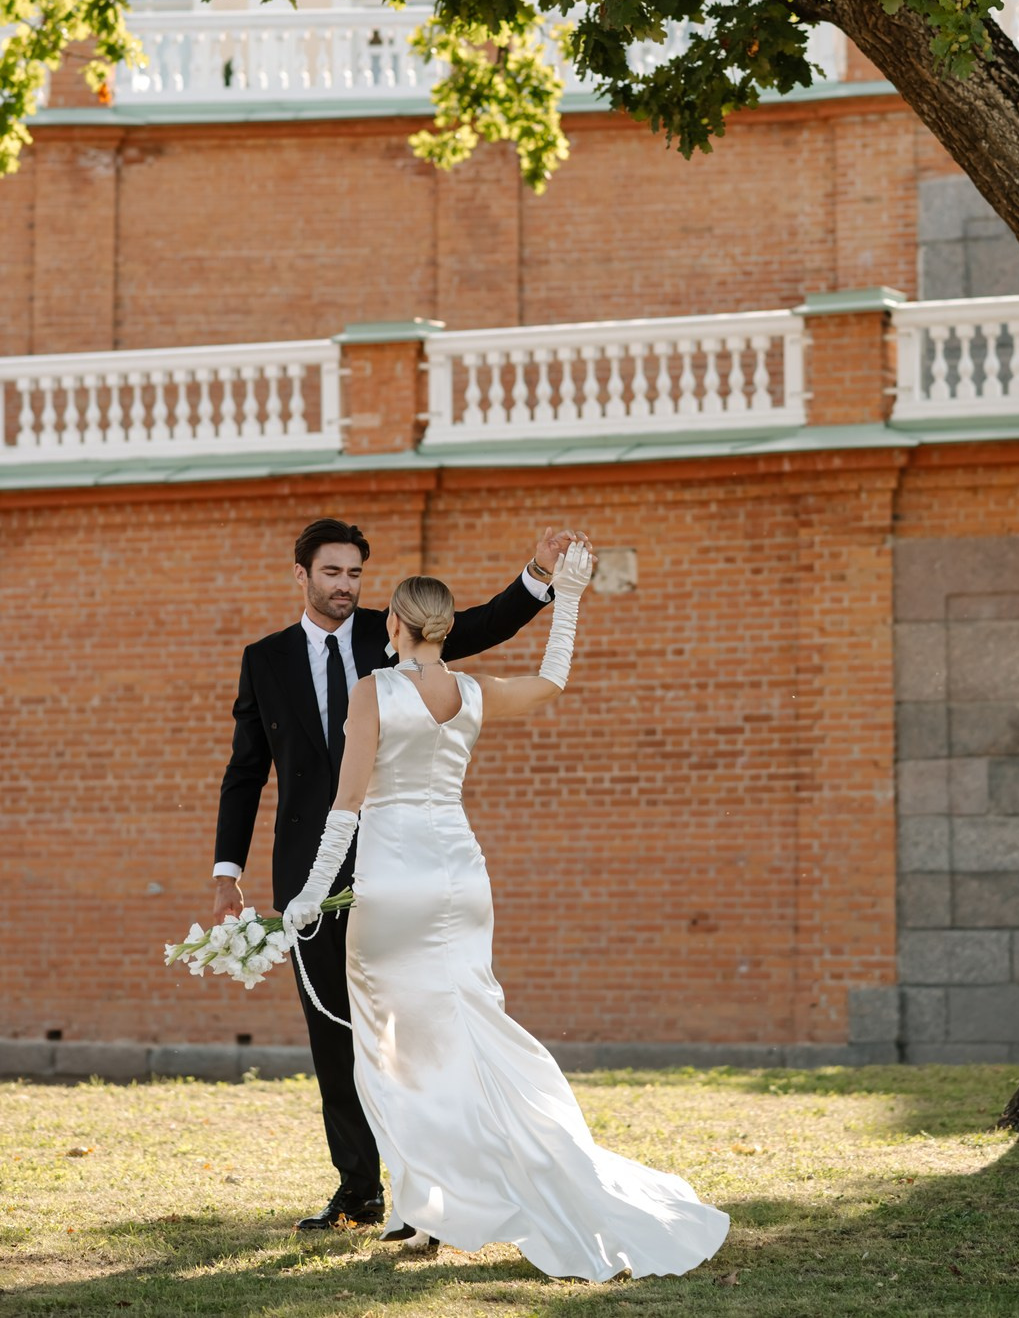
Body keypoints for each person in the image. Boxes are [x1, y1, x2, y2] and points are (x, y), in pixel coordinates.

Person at [282, 542, 730, 1281]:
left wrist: (307, 895)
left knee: (392, 1045)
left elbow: (348, 806)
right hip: (461, 879)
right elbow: (553, 681)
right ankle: (443, 1197)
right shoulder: (474, 690)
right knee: (467, 1024)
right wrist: (571, 596)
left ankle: (420, 1203)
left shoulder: (371, 691)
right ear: (444, 628)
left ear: (393, 623)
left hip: (394, 882)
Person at [211, 516, 574, 1233]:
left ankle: (421, 1191)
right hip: (309, 862)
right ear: (303, 576)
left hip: (393, 863)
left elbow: (478, 625)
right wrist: (229, 871)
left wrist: (539, 578)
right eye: (333, 574)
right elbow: (245, 771)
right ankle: (359, 1189)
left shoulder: (395, 632)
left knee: (407, 1024)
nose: (346, 587)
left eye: (355, 575)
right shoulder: (265, 659)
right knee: (331, 1028)